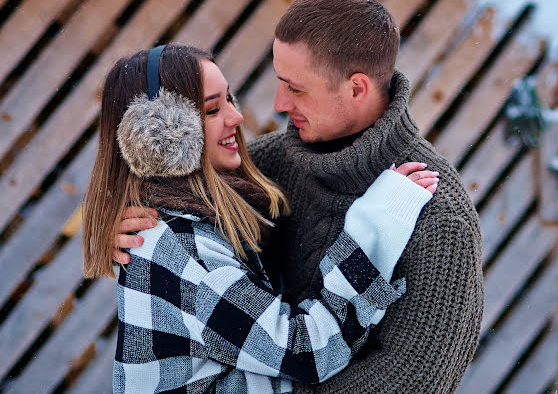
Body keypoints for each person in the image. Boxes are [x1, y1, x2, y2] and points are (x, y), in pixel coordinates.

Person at [115, 0, 484, 392]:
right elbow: (179, 206)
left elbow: (414, 379)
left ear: (356, 88)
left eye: (295, 87)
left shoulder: (438, 214)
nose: (277, 103)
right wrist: (127, 219)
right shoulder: (269, 165)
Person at [83, 44, 438, 392]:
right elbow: (307, 353)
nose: (236, 118)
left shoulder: (197, 211)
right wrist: (374, 228)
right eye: (211, 110)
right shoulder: (180, 247)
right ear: (157, 136)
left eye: (229, 99)